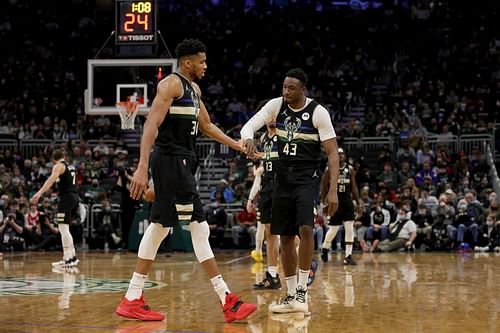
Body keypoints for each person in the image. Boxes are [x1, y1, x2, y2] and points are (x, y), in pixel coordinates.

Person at [115, 39, 256, 323]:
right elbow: (151, 125)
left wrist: (238, 146)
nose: (206, 66)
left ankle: (132, 297)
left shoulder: (194, 90)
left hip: (182, 162)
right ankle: (226, 300)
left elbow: (206, 126)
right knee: (197, 228)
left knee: (161, 227)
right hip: (170, 159)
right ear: (188, 62)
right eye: (202, 61)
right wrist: (142, 167)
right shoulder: (171, 84)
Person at [241, 68, 339, 314]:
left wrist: (333, 190)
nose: (286, 92)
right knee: (283, 235)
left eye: (291, 88)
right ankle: (291, 295)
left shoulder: (318, 112)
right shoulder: (276, 105)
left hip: (307, 176)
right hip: (282, 178)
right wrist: (249, 137)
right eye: (284, 87)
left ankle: (303, 293)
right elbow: (249, 125)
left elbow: (332, 153)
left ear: (302, 89)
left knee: (305, 228)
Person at [246, 120, 281, 289]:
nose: (272, 117)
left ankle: (308, 261)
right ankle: (272, 275)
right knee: (269, 231)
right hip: (267, 186)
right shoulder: (263, 139)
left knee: (288, 231)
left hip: (282, 184)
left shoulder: (284, 135)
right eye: (269, 114)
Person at [31, 149, 79, 267]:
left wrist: (39, 193)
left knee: (63, 229)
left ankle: (67, 259)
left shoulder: (58, 166)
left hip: (66, 198)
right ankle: (71, 257)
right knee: (65, 228)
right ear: (63, 156)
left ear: (53, 159)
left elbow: (51, 180)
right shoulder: (71, 166)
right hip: (74, 197)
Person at [320, 147, 360, 265]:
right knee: (333, 229)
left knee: (349, 228)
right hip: (334, 202)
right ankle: (325, 248)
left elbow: (354, 188)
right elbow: (323, 188)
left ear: (345, 156)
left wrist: (358, 202)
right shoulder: (330, 169)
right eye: (339, 154)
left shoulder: (350, 169)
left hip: (347, 202)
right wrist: (324, 203)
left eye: (342, 154)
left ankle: (348, 256)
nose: (341, 156)